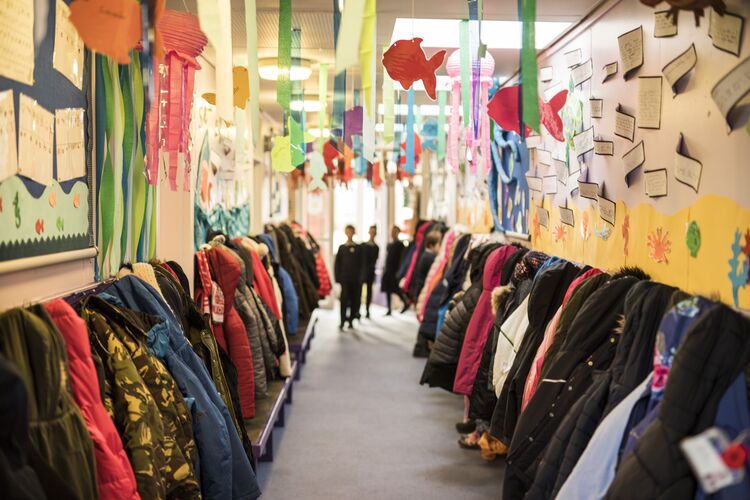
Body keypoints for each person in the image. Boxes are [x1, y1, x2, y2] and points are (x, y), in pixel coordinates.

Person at [334, 224, 363, 329]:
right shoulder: (342, 248)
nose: (349, 233)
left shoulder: (359, 248)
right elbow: (337, 264)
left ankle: (351, 320)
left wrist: (361, 277)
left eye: (351, 231)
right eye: (348, 231)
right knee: (344, 300)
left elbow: (361, 264)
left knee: (354, 300)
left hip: (355, 279)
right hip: (344, 279)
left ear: (353, 232)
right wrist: (338, 278)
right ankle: (342, 321)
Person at [381, 226, 408, 315]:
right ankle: (389, 308)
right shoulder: (389, 244)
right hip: (388, 270)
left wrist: (400, 271)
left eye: (395, 231)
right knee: (388, 290)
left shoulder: (400, 244)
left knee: (396, 289)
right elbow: (387, 258)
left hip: (395, 270)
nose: (393, 233)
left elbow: (402, 259)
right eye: (392, 231)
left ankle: (405, 302)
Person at [411, 231, 442, 306]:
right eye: (439, 244)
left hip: (419, 291)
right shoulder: (429, 258)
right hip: (423, 292)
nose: (440, 247)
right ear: (431, 245)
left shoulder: (425, 255)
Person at [361, 225, 379, 319]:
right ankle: (358, 310)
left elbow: (374, 261)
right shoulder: (363, 245)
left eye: (374, 232)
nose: (372, 233)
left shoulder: (376, 247)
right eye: (371, 231)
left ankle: (367, 310)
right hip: (362, 272)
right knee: (359, 291)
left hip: (370, 272)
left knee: (369, 292)